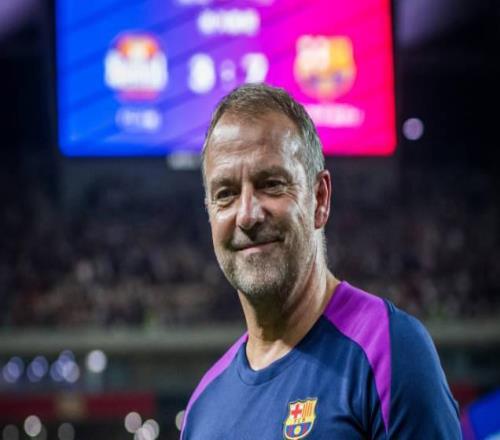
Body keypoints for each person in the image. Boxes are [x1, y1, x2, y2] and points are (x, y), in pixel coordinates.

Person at [181, 83, 461, 439]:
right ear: (209, 213)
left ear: (320, 198)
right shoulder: (202, 409)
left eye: (271, 184)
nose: (247, 215)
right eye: (226, 194)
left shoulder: (389, 351)